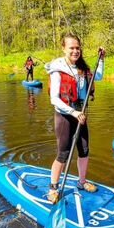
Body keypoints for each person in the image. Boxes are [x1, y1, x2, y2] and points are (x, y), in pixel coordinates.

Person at [45, 33, 105, 203]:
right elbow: (54, 99)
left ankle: (82, 182)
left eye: (78, 48)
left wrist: (101, 59)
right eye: (71, 47)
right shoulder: (57, 69)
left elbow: (98, 77)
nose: (75, 51)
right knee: (63, 153)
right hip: (65, 115)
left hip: (81, 114)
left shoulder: (82, 68)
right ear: (64, 48)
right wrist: (74, 112)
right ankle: (53, 188)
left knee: (84, 150)